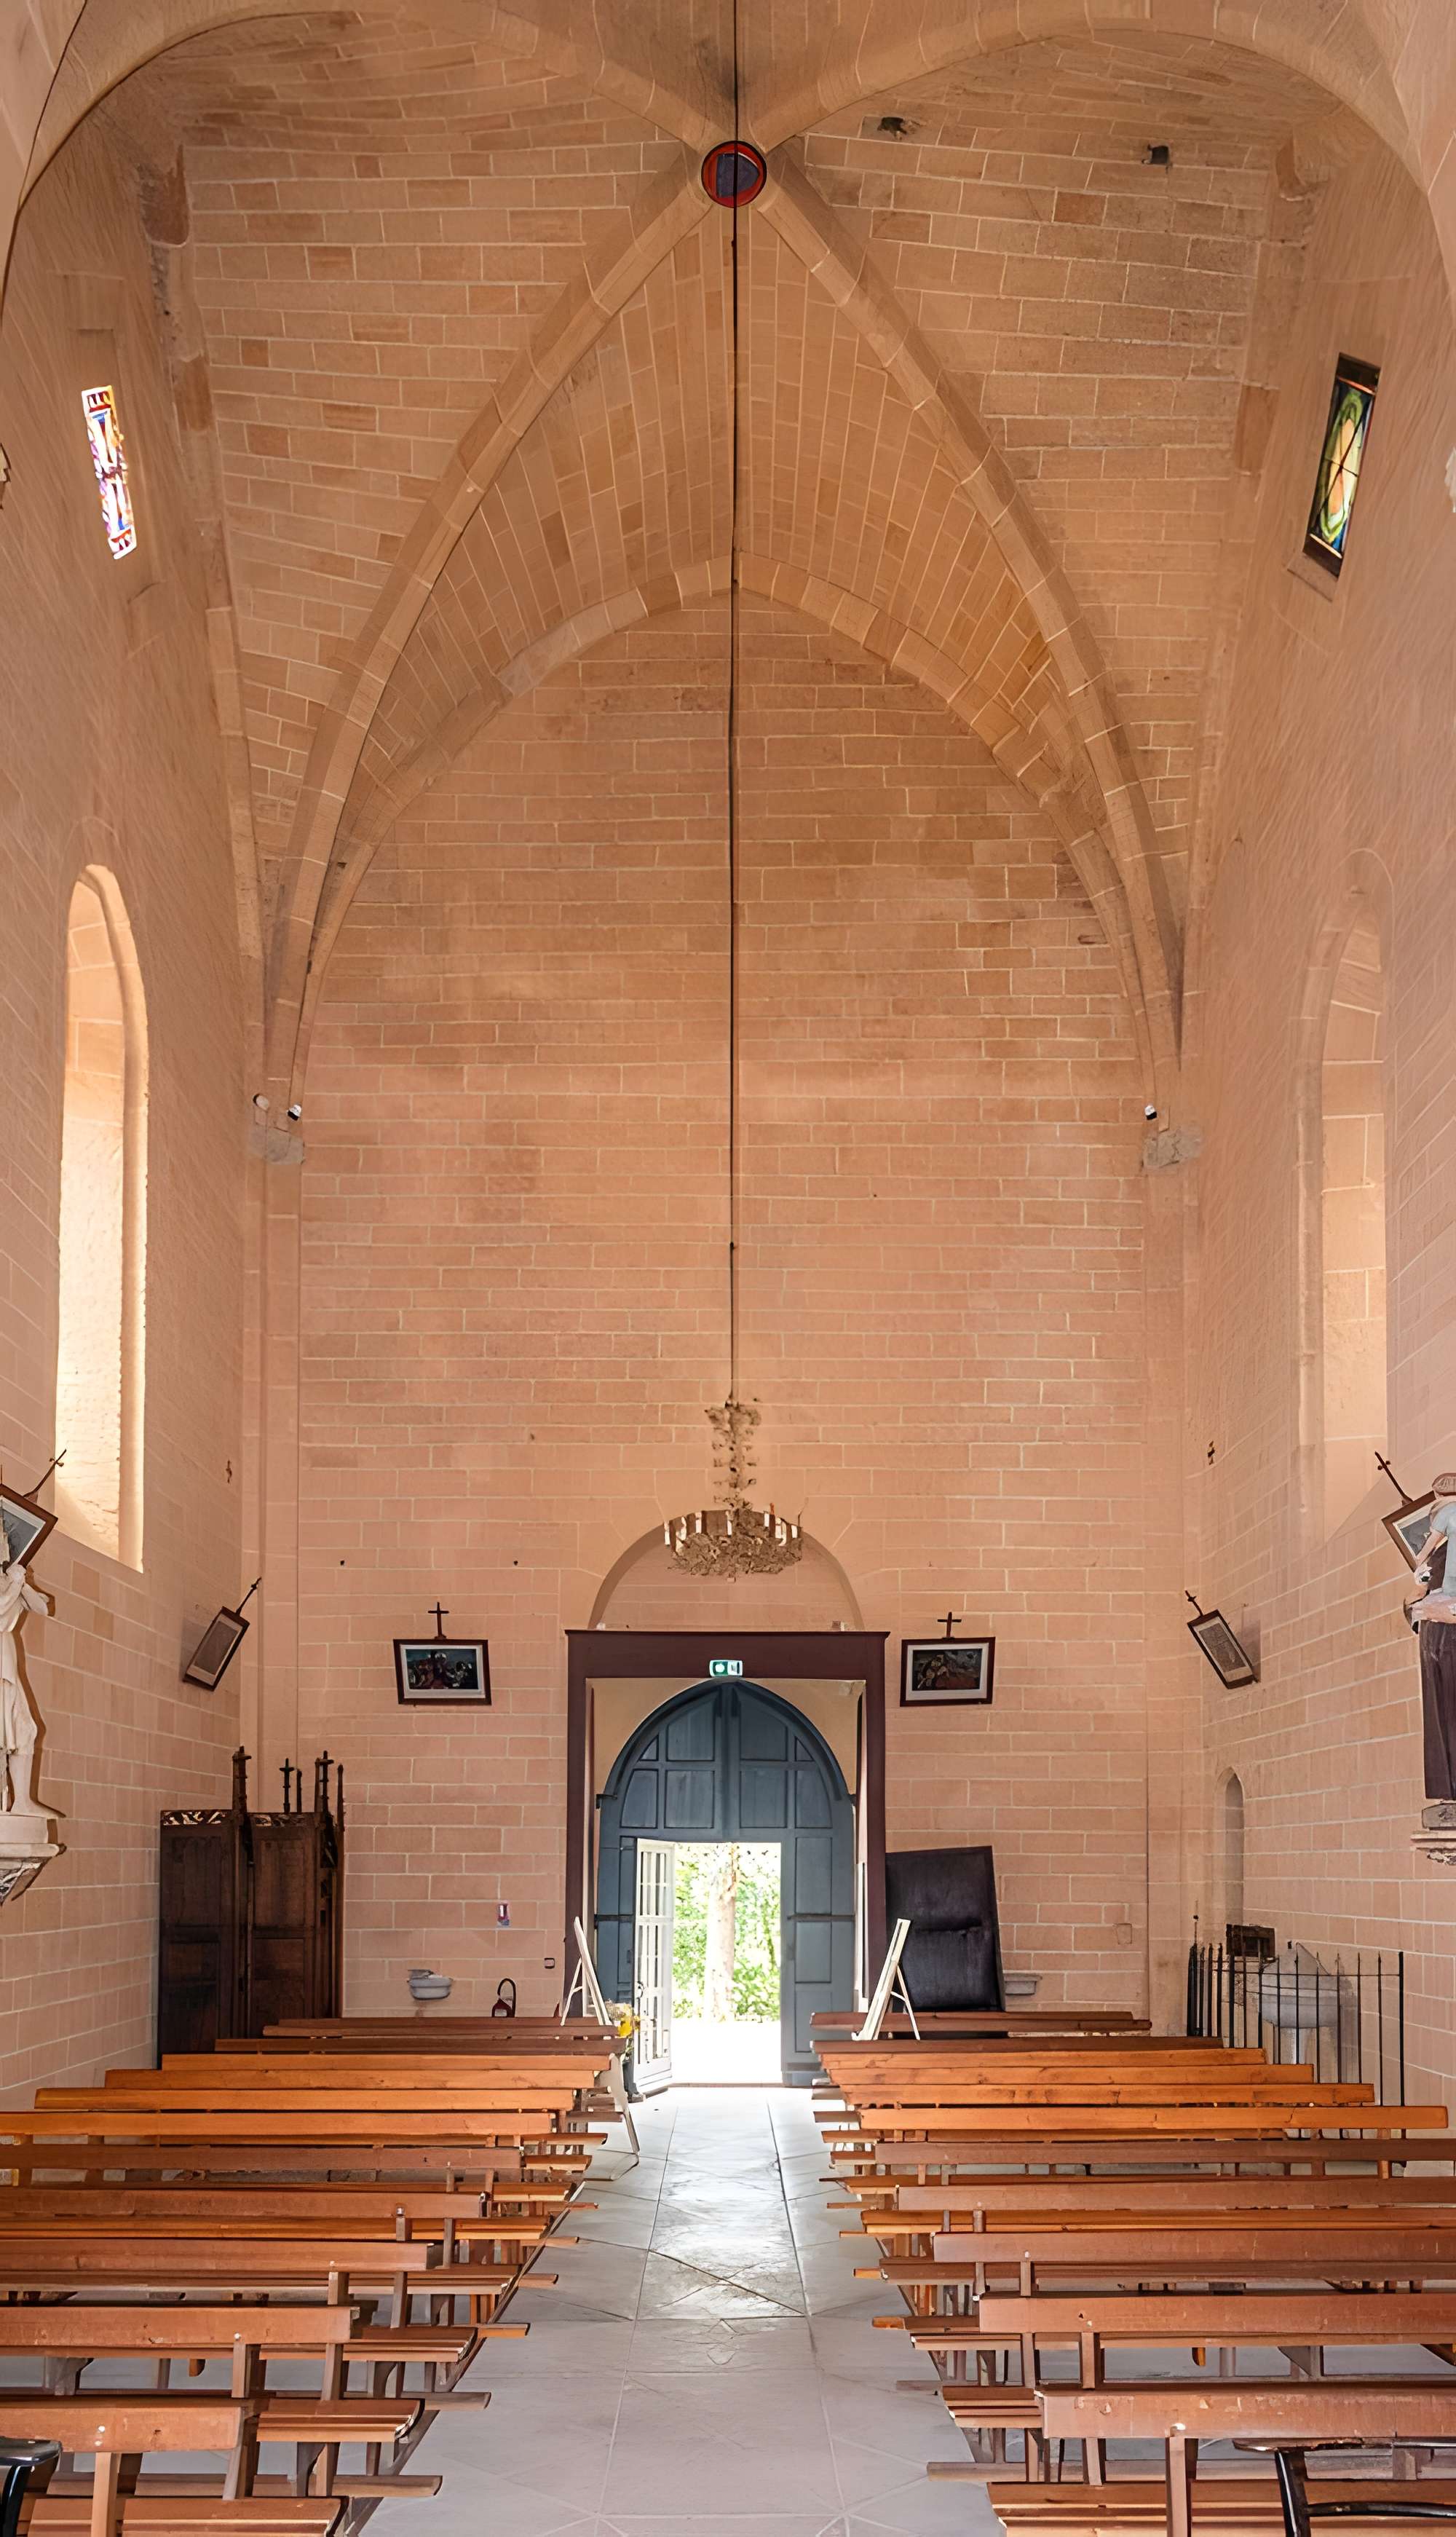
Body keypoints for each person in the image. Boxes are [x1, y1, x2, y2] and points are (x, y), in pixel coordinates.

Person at [1409, 1475, 1456, 1800]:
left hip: (1451, 1634)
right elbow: (1414, 1599)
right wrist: (1416, 1610)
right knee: (1440, 1718)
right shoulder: (1437, 1555)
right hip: (1433, 1637)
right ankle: (1448, 1794)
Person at [0, 1547, 49, 1820]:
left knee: (25, 1730)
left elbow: (42, 1608)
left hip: (6, 1662)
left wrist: (22, 1583)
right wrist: (16, 1583)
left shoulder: (9, 1579)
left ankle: (23, 1802)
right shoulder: (9, 1583)